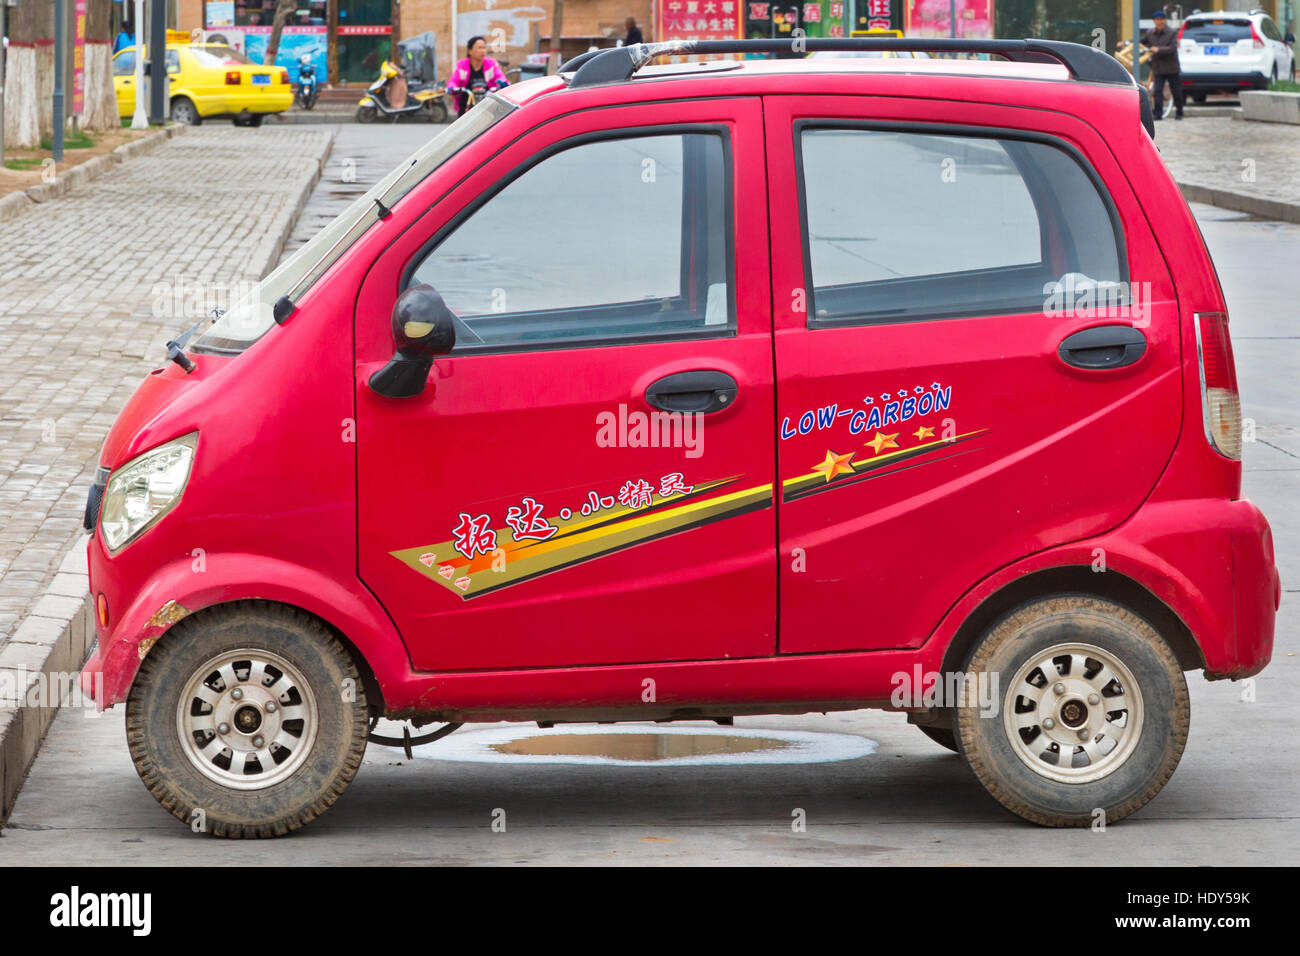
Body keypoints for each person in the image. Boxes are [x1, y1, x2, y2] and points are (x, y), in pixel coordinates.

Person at [447, 36, 509, 117]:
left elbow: (500, 76)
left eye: (484, 48)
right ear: (470, 51)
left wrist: (503, 83)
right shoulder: (462, 65)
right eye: (479, 48)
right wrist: (452, 88)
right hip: (466, 106)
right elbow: (453, 81)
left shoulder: (491, 64)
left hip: (487, 106)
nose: (483, 51)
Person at [1141, 9, 1184, 120]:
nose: (1161, 22)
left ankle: (1180, 112)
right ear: (1154, 21)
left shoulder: (1172, 32)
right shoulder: (1150, 33)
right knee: (1158, 92)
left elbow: (1173, 48)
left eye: (1162, 19)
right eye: (1158, 19)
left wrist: (1158, 49)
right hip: (1158, 68)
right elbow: (1140, 42)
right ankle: (1158, 114)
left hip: (1172, 68)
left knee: (1176, 91)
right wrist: (1126, 43)